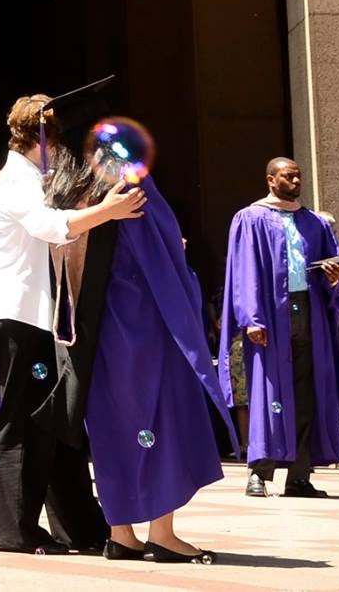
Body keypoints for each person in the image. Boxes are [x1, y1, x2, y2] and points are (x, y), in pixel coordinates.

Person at [41, 146, 230, 565]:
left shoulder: (63, 189)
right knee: (160, 415)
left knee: (111, 425)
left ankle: (121, 533)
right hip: (143, 322)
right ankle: (162, 534)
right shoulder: (125, 183)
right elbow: (163, 258)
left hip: (94, 330)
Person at [0, 94, 143, 553]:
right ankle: (15, 530)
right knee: (21, 421)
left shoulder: (33, 175)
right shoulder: (17, 178)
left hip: (34, 315)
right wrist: (107, 211)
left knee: (51, 422)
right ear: (45, 136)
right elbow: (48, 225)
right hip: (17, 311)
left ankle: (76, 525)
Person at [219, 156, 339, 499]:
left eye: (298, 175)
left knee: (306, 394)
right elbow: (244, 272)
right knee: (267, 393)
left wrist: (335, 282)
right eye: (288, 176)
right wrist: (251, 317)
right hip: (269, 314)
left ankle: (299, 476)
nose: (295, 181)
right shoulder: (251, 219)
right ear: (270, 180)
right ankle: (258, 473)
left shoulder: (314, 222)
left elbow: (330, 268)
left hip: (310, 311)